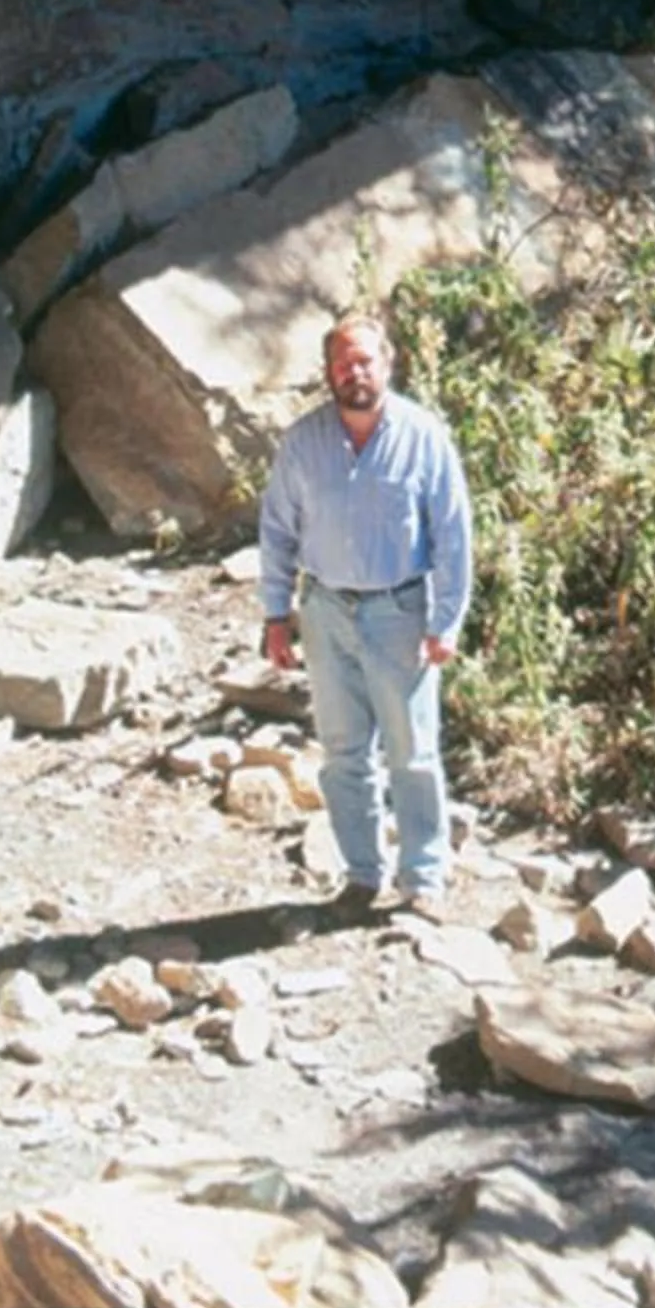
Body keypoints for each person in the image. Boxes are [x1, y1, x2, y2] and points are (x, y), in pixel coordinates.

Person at [257, 314, 473, 921]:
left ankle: (424, 876)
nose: (355, 372)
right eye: (343, 362)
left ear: (389, 363)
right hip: (325, 611)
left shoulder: (423, 436)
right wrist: (276, 614)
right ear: (328, 371)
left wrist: (446, 620)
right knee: (343, 752)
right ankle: (360, 876)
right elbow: (277, 529)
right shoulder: (303, 442)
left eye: (366, 361)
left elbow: (453, 533)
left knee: (412, 751)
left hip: (401, 611)